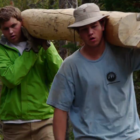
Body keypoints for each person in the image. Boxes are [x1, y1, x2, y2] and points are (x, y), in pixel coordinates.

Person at [47, 3, 140, 140]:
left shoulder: (125, 54)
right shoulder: (70, 66)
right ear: (78, 33)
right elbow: (60, 109)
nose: (90, 32)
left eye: (94, 26)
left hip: (128, 136)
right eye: (84, 29)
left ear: (103, 26)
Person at [0, 6, 63, 140]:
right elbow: (11, 79)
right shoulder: (1, 50)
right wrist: (32, 51)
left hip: (44, 121)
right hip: (13, 125)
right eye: (6, 28)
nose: (11, 31)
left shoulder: (41, 43)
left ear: (22, 22)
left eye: (14, 25)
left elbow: (59, 74)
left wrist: (47, 46)